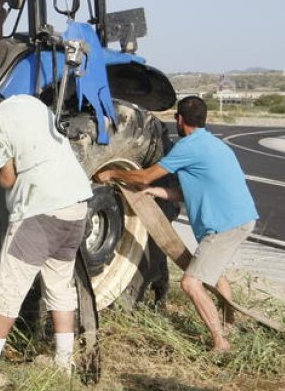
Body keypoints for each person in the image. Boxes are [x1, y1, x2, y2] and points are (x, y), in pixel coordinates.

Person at [94, 95, 257, 352]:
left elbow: (146, 176)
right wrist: (156, 193)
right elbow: (192, 190)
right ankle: (229, 325)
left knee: (191, 283)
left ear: (179, 120)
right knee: (215, 275)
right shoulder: (214, 145)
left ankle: (220, 340)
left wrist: (113, 173)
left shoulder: (188, 146)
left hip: (224, 226)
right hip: (241, 219)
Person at [0, 94, 93, 383]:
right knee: (59, 286)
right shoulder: (32, 103)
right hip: (76, 205)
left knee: (8, 286)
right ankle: (63, 363)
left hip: (40, 209)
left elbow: (8, 180)